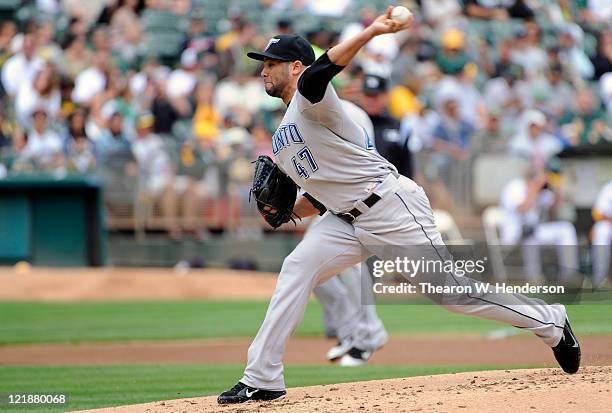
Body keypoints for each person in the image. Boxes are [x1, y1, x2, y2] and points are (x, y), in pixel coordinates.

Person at [217, 8, 580, 405]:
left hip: (390, 207)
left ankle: (551, 320)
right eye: (263, 65)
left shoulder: (310, 100)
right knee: (296, 270)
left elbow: (325, 68)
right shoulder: (285, 135)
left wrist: (373, 30)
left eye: (272, 64)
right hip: (344, 220)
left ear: (297, 67)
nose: (264, 71)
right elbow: (320, 198)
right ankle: (263, 376)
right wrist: (285, 213)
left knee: (455, 295)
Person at [592, 181, 612, 288]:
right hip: (609, 223)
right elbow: (597, 212)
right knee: (601, 229)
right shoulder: (609, 188)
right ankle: (600, 280)